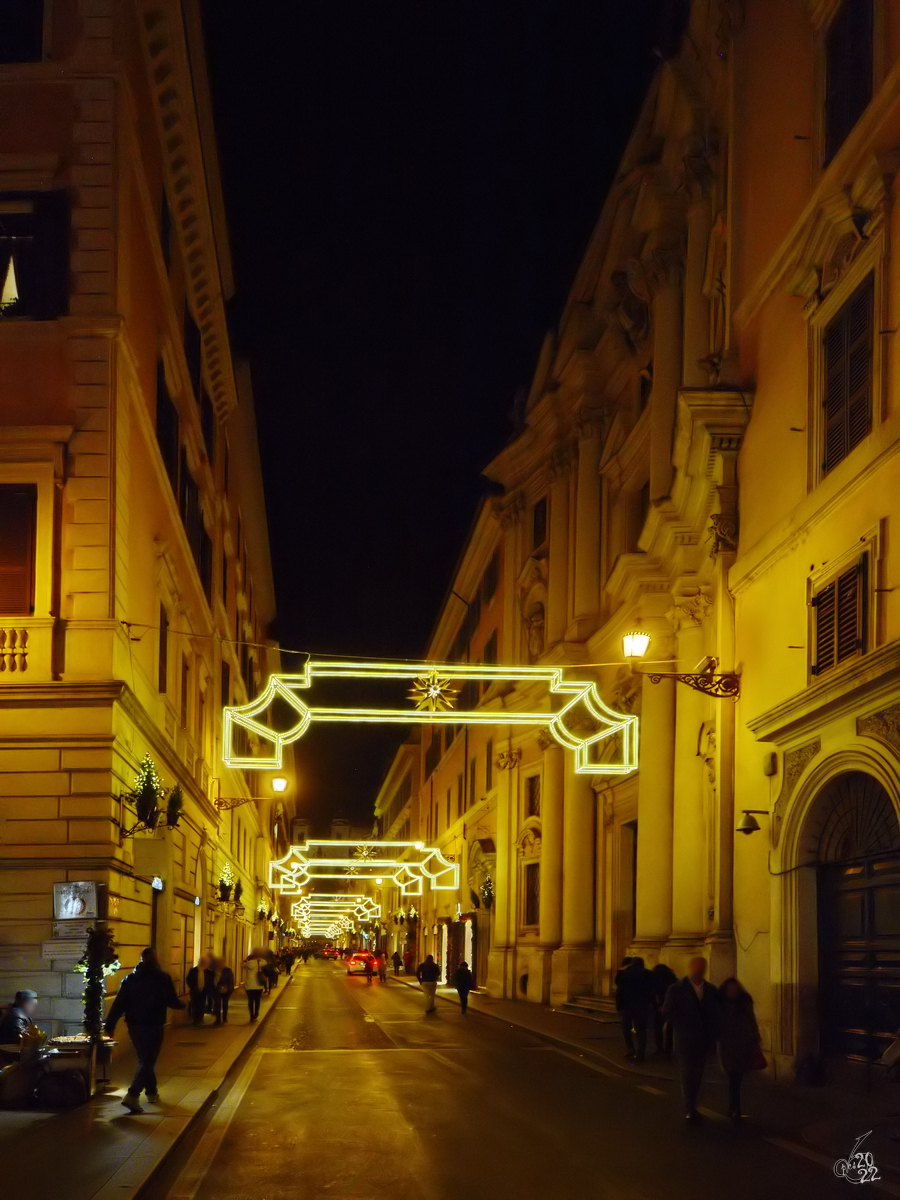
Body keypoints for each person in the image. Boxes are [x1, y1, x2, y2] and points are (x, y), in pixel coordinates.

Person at [104, 948, 185, 1113]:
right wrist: (182, 1005)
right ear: (156, 959)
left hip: (134, 1025)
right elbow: (171, 1000)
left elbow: (119, 1004)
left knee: (145, 1058)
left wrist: (110, 1025)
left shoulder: (130, 979)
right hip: (154, 1024)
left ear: (141, 959)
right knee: (148, 1060)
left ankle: (151, 1092)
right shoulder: (162, 978)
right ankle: (133, 1095)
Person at [661, 957, 720, 1122]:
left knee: (699, 1073)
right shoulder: (676, 989)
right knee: (688, 1073)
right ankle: (690, 1107)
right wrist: (682, 1022)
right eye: (696, 967)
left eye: (702, 967)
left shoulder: (710, 989)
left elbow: (715, 1013)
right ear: (690, 968)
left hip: (704, 1039)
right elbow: (667, 1011)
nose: (699, 970)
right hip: (685, 1038)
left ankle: (692, 1104)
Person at [717, 977, 763, 1120]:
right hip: (727, 1044)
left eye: (734, 989)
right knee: (733, 1077)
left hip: (742, 1042)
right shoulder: (720, 1004)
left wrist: (755, 1036)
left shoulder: (744, 1002)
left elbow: (751, 1020)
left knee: (736, 1078)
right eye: (730, 989)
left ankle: (734, 1108)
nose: (733, 992)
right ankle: (734, 1107)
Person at [615, 956, 654, 1062]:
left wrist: (618, 1004)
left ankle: (630, 1048)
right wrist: (654, 1004)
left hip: (628, 1006)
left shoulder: (625, 973)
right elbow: (652, 991)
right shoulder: (648, 974)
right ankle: (641, 1052)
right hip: (642, 1006)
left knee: (626, 1028)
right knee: (641, 1030)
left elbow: (620, 990)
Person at [650, 962, 677, 1054]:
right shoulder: (672, 979)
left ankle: (659, 1047)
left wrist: (657, 1005)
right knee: (669, 1029)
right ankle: (668, 1048)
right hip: (670, 1007)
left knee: (657, 1028)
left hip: (658, 1007)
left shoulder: (654, 979)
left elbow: (653, 994)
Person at [242, 954, 264, 1021]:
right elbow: (265, 962)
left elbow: (241, 965)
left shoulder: (247, 964)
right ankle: (256, 1013)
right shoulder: (258, 963)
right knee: (257, 1000)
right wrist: (260, 959)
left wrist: (245, 961)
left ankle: (251, 1015)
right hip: (258, 986)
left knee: (250, 1001)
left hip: (249, 986)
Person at [215, 960, 235, 1025]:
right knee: (217, 1004)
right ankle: (218, 1019)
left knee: (224, 1004)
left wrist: (230, 988)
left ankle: (224, 1018)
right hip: (217, 989)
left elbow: (230, 980)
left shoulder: (227, 970)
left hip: (226, 989)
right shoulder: (214, 970)